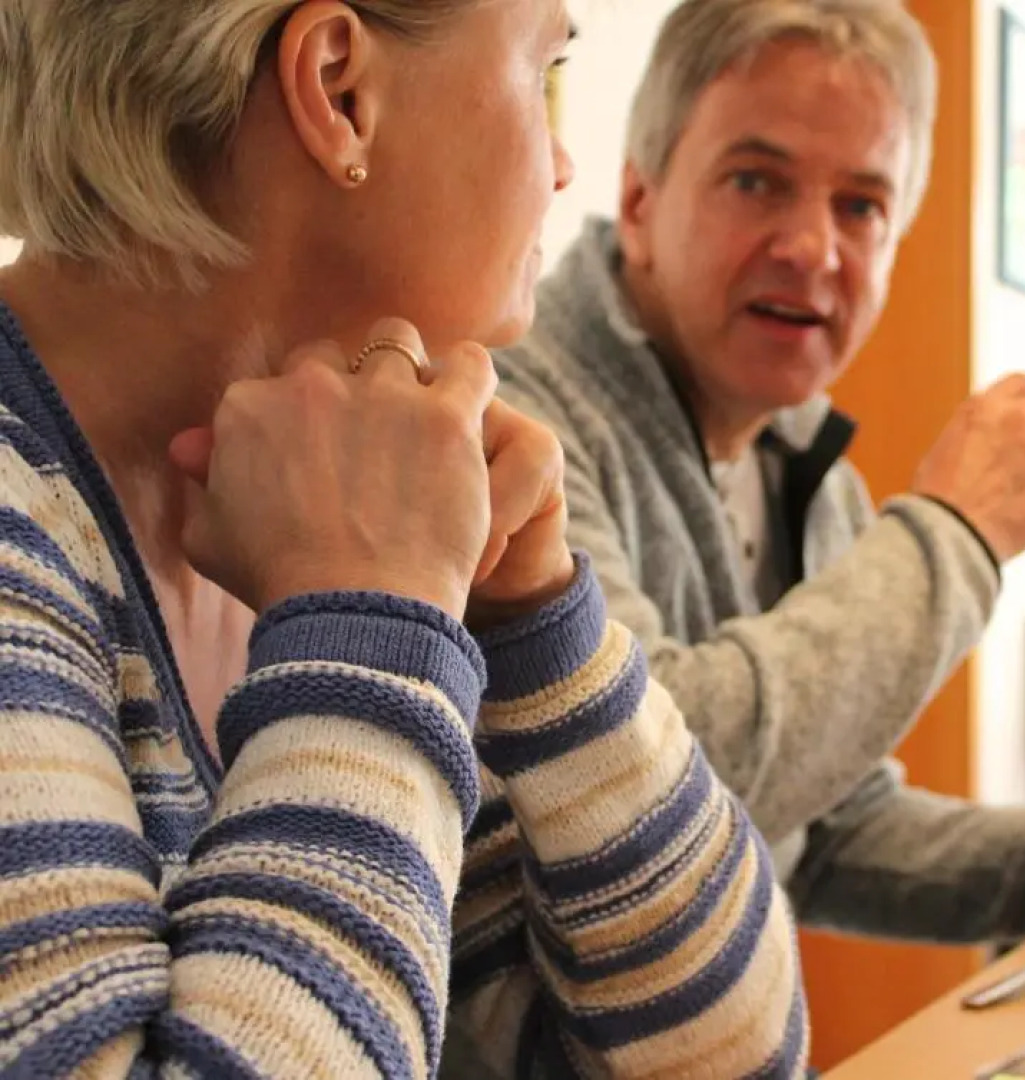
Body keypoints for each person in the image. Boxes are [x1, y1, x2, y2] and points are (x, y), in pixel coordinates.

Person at [0, 1, 806, 1077]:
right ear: (341, 91)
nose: (564, 164)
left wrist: (543, 631)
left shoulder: (335, 503)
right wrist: (364, 621)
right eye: (544, 72)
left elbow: (727, 1058)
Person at [496, 0, 1025, 949]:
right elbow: (642, 784)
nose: (813, 250)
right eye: (756, 180)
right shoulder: (519, 415)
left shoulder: (809, 466)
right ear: (639, 201)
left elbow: (832, 833)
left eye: (861, 205)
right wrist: (952, 538)